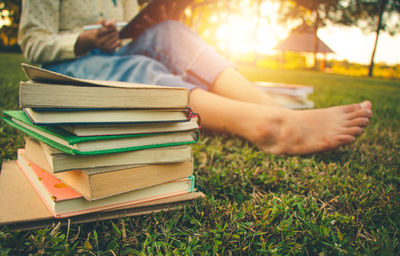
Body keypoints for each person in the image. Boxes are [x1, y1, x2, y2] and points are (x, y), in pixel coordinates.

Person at [18, 0, 372, 155]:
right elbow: (32, 43)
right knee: (140, 71)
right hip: (71, 67)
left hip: (115, 52)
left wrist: (134, 30)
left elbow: (129, 35)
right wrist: (83, 40)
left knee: (172, 31)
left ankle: (282, 111)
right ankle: (270, 126)